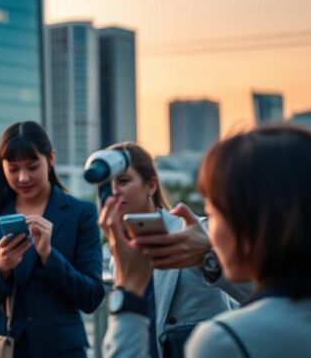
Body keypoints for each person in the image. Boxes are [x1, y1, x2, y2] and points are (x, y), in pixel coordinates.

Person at [102, 126, 311, 357]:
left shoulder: (225, 340)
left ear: (254, 223)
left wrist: (128, 292)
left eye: (213, 213)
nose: (210, 231)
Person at [101, 142, 248, 358]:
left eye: (123, 180)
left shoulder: (195, 231)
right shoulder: (120, 252)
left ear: (151, 185)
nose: (114, 191)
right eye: (108, 184)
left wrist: (210, 256)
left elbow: (254, 291)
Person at [0, 121, 105, 357]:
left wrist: (48, 256)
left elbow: (91, 296)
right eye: (13, 168)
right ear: (1, 166)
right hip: (4, 348)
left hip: (61, 350)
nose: (23, 177)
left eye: (32, 166)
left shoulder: (80, 213)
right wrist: (2, 268)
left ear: (50, 158)